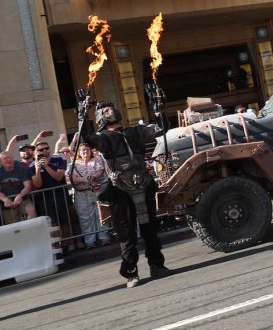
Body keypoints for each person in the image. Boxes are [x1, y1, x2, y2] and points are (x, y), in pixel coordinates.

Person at [82, 101, 171, 288]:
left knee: (150, 228)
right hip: (120, 189)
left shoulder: (135, 132)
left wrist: (158, 109)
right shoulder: (103, 137)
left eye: (111, 107)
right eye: (105, 110)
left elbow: (161, 128)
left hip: (143, 184)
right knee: (127, 232)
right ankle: (131, 273)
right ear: (100, 118)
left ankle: (157, 265)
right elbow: (88, 139)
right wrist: (83, 116)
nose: (110, 110)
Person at [30, 140, 74, 247]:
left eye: (46, 148)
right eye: (41, 150)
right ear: (36, 152)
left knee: (64, 220)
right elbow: (37, 184)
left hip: (60, 194)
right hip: (45, 197)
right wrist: (38, 169)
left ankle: (66, 244)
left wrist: (46, 166)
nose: (44, 151)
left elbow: (59, 177)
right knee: (52, 222)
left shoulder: (59, 159)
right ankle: (57, 246)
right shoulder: (32, 165)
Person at [68, 143, 111, 248]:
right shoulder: (74, 163)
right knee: (85, 218)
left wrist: (93, 177)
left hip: (97, 191)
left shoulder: (97, 159)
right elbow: (71, 177)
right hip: (82, 194)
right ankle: (89, 241)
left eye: (87, 149)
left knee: (101, 214)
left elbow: (100, 170)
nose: (85, 152)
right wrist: (84, 180)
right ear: (79, 153)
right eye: (83, 150)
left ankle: (104, 237)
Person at [0, 151, 36, 224]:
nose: (8, 160)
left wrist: (20, 196)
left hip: (23, 199)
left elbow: (28, 186)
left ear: (13, 158)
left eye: (10, 157)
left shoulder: (21, 169)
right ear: (1, 162)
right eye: (5, 158)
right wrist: (4, 199)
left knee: (31, 210)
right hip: (6, 203)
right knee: (13, 226)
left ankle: (32, 232)